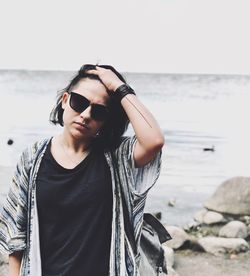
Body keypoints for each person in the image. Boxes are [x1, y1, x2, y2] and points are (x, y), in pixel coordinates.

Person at [0, 64, 164, 276]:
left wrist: (119, 87)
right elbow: (16, 236)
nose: (86, 115)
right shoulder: (33, 157)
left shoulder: (116, 156)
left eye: (99, 111)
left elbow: (154, 140)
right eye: (79, 102)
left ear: (106, 120)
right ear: (65, 100)